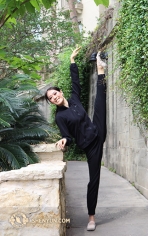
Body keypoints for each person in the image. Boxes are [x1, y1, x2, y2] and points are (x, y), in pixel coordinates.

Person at [45, 47, 107, 231]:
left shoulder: (74, 99)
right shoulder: (60, 117)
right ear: (50, 102)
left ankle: (100, 68)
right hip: (90, 146)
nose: (54, 97)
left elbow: (75, 82)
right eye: (50, 98)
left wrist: (72, 60)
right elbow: (67, 136)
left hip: (97, 130)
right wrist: (65, 141)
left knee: (100, 102)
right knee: (94, 179)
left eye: (55, 93)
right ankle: (91, 217)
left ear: (60, 92)